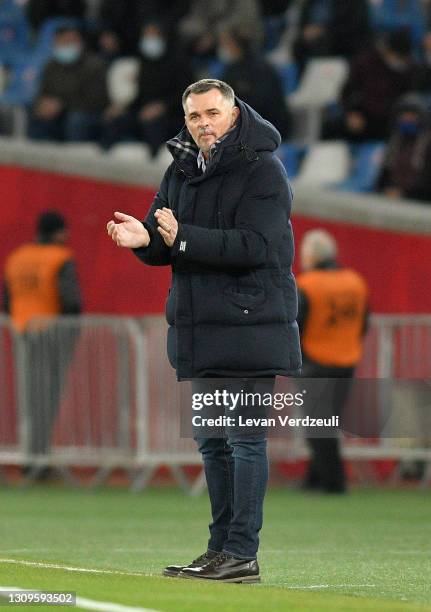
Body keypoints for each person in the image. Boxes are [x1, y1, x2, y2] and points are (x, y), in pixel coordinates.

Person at [107, 78, 301, 582]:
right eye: (195, 117)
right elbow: (163, 239)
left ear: (234, 114)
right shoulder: (180, 166)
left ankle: (242, 553)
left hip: (250, 323)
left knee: (245, 442)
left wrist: (183, 238)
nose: (203, 125)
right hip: (204, 327)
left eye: (212, 114)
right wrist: (142, 239)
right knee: (213, 443)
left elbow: (259, 247)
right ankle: (220, 552)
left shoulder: (264, 171)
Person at [3, 211, 82, 478]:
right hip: (51, 334)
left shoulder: (17, 258)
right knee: (46, 400)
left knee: (27, 398)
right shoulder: (60, 258)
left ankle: (29, 457)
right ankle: (38, 461)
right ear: (57, 232)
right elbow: (71, 301)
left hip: (20, 334)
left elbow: (6, 300)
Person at [296, 229, 369, 493]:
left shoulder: (307, 283)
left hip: (315, 361)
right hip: (347, 359)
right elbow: (363, 323)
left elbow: (298, 324)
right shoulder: (355, 282)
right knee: (328, 423)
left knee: (317, 425)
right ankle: (314, 478)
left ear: (313, 255)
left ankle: (333, 482)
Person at [102, 20, 194, 155]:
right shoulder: (143, 62)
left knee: (153, 126)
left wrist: (161, 106)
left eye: (154, 35)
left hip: (172, 115)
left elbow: (187, 94)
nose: (150, 40)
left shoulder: (179, 62)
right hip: (143, 113)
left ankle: (154, 164)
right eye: (147, 35)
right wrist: (122, 107)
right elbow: (140, 95)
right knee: (114, 121)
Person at [323, 29, 420, 142]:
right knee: (330, 128)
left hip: (393, 118)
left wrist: (406, 114)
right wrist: (351, 113)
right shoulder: (365, 62)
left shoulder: (410, 69)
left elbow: (411, 97)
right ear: (387, 51)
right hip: (364, 116)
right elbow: (346, 92)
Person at [28, 26, 109, 143]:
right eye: (63, 42)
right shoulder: (51, 66)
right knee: (36, 114)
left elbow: (97, 100)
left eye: (71, 41)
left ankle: (74, 158)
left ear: (81, 42)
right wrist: (43, 105)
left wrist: (61, 106)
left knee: (76, 120)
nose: (67, 45)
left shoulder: (95, 65)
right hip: (57, 114)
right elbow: (42, 93)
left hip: (87, 114)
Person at [218, 24, 291, 138]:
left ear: (235, 44)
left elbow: (263, 103)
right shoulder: (231, 69)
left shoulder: (262, 69)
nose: (224, 48)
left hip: (267, 126)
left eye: (226, 44)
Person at [377, 94, 431, 202]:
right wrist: (387, 189)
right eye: (404, 115)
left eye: (412, 115)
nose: (407, 119)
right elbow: (385, 171)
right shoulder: (394, 139)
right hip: (390, 195)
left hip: (419, 200)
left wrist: (405, 193)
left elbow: (426, 179)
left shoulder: (427, 142)